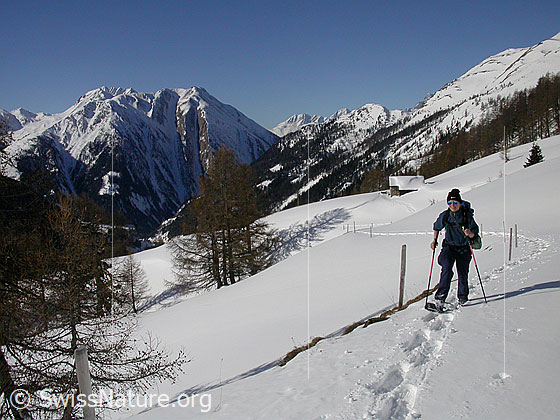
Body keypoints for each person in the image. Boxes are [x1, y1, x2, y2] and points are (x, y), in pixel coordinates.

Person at [430, 188, 479, 309]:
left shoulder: (466, 216)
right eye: (450, 203)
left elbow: (475, 232)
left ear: (460, 203)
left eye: (455, 203)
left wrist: (470, 234)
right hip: (449, 248)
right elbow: (436, 227)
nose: (452, 205)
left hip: (464, 249)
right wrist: (434, 240)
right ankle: (440, 298)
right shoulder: (445, 215)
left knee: (462, 274)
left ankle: (463, 298)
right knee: (446, 268)